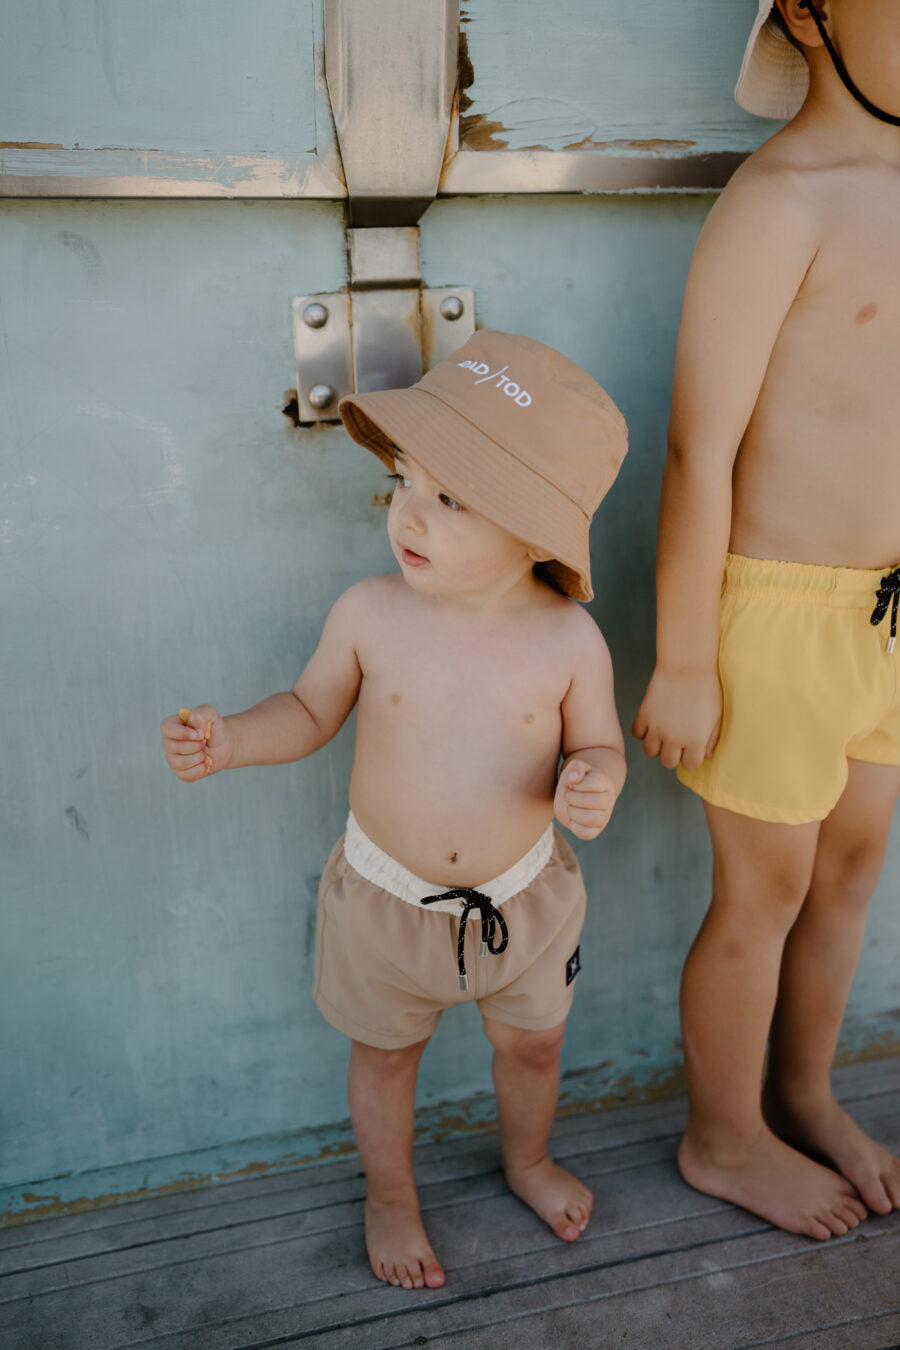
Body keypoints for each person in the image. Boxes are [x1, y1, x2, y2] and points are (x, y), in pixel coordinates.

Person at [161, 330, 628, 1290]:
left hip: (525, 901)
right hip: (384, 905)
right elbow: (307, 709)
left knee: (534, 1047)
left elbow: (600, 743)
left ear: (536, 532)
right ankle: (391, 1197)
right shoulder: (371, 614)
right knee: (383, 1060)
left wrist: (596, 777)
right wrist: (236, 739)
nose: (409, 515)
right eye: (406, 482)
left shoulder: (569, 640)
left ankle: (527, 1158)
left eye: (449, 499)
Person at [633, 0, 900, 1241]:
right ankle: (723, 1135)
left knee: (850, 869)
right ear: (808, 13)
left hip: (887, 617)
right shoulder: (781, 199)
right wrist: (685, 655)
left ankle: (802, 1090)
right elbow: (701, 447)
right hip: (776, 615)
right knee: (766, 888)